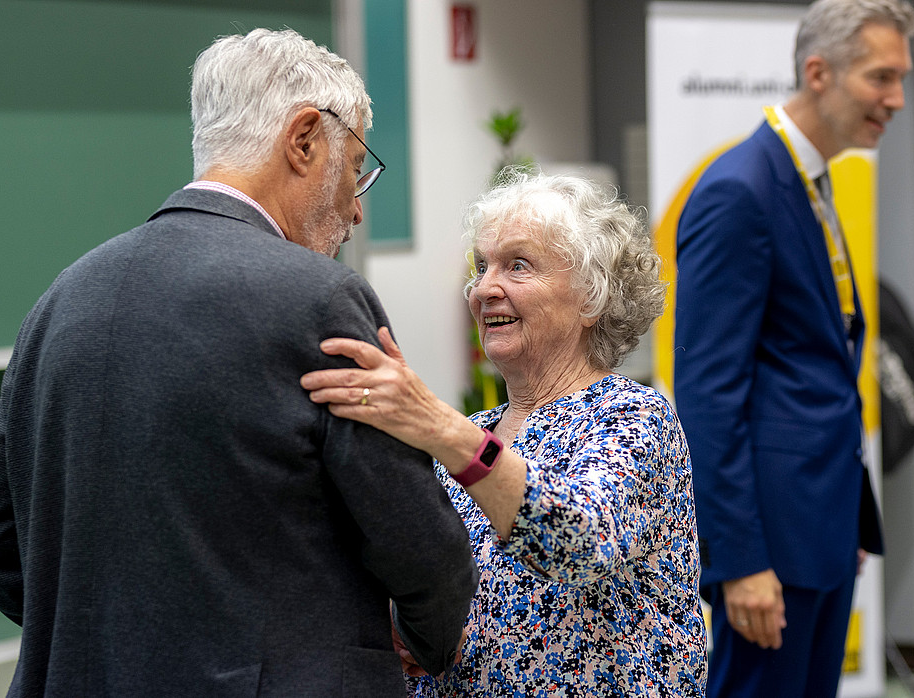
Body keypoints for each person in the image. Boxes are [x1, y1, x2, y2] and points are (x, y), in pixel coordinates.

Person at [0, 28, 478, 696]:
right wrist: (424, 640)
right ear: (304, 140)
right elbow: (419, 546)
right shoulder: (319, 298)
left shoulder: (59, 300)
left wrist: (96, 632)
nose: (357, 208)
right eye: (356, 167)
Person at [301, 171, 708, 696]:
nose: (484, 289)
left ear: (592, 295)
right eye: (481, 266)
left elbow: (580, 542)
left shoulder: (635, 416)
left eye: (518, 265)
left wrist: (435, 425)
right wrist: (408, 624)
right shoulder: (474, 432)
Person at [672, 1, 914, 696]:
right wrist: (739, 560)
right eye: (881, 78)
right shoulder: (739, 190)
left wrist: (850, 517)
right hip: (769, 549)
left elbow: (816, 367)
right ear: (818, 72)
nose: (896, 99)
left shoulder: (807, 181)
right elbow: (706, 394)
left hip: (820, 530)